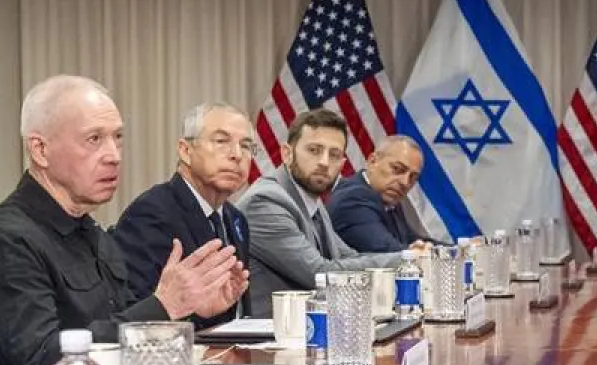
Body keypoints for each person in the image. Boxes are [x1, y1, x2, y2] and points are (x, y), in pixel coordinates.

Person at [0, 75, 247, 365]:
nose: (114, 155)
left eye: (117, 138)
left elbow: (120, 323)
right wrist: (165, 305)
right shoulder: (5, 240)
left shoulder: (90, 231)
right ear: (40, 150)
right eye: (94, 139)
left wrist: (190, 309)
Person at [237, 108, 404, 314]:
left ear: (342, 164)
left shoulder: (311, 201)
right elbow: (319, 273)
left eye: (334, 155)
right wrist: (407, 259)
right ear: (287, 154)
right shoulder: (265, 201)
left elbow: (347, 256)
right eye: (314, 150)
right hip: (268, 338)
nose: (324, 162)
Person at [113, 102, 254, 330]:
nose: (237, 155)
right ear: (185, 151)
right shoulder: (150, 214)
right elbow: (137, 314)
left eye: (246, 146)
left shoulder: (236, 219)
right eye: (221, 142)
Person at [326, 135, 436, 252]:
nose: (405, 182)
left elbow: (411, 240)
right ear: (373, 161)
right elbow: (389, 253)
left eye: (413, 177)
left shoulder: (388, 199)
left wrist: (454, 251)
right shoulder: (351, 199)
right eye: (397, 169)